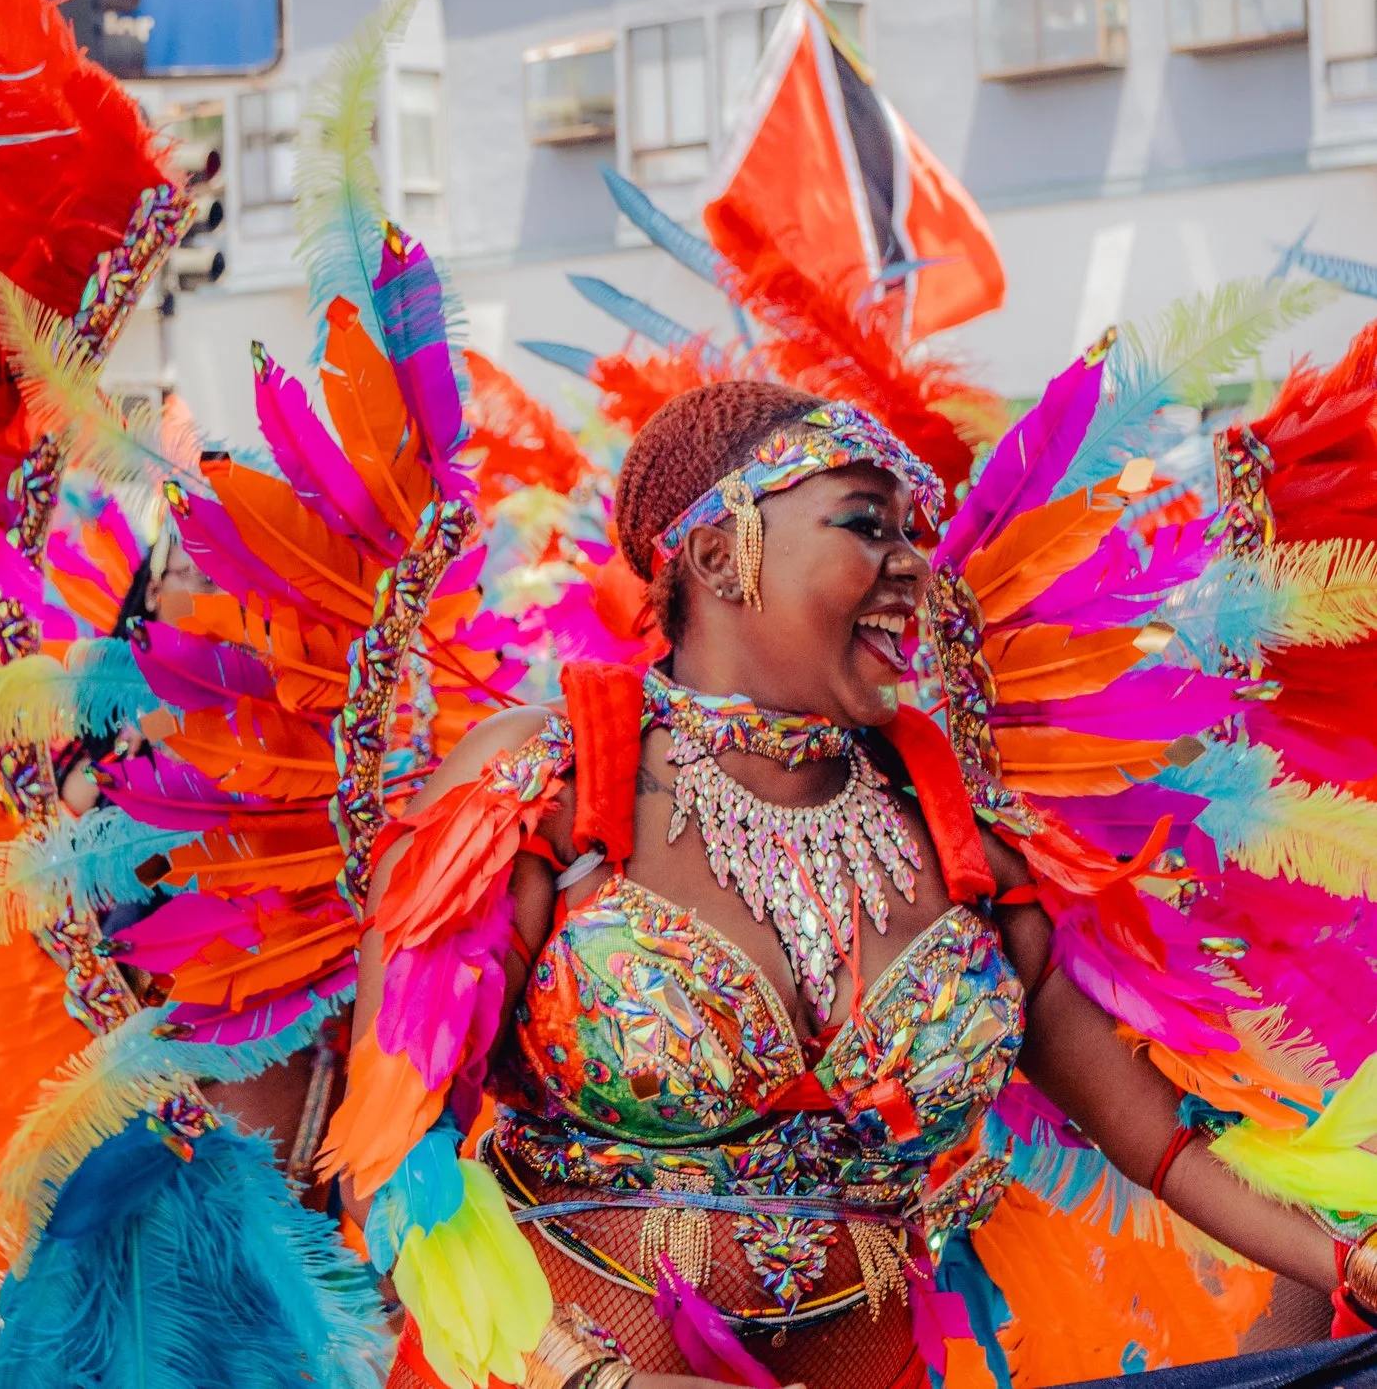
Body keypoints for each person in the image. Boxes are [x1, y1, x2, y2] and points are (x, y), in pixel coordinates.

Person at [345, 382, 1377, 1389]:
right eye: (866, 525)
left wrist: (1351, 1260)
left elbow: (1163, 1143)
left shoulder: (962, 841)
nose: (912, 565)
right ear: (718, 553)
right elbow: (391, 1158)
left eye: (915, 534)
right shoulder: (548, 789)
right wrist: (584, 1377)